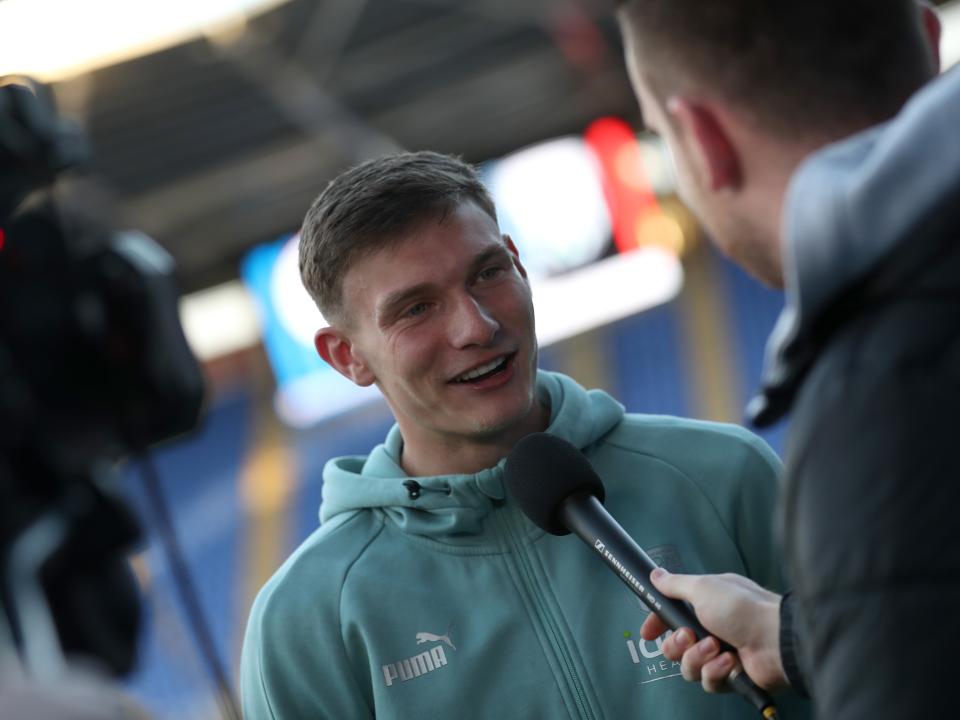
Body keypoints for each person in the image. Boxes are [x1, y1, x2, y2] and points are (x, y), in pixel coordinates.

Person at [239, 151, 810, 719]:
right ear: (346, 356)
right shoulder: (305, 620)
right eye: (416, 309)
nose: (476, 326)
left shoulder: (722, 474)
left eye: (487, 273)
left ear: (519, 264)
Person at [616, 1, 960, 717]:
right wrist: (796, 635)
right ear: (929, 40)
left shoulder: (879, 398)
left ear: (705, 143)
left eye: (661, 136)